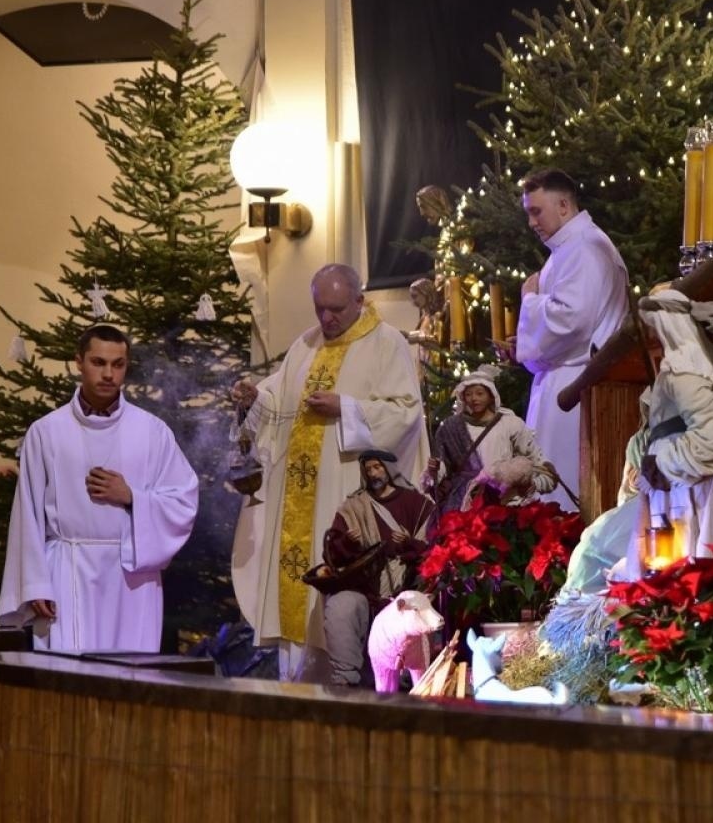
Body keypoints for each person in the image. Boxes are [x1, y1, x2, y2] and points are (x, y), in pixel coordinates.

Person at [230, 264, 428, 681]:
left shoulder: (387, 343)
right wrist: (252, 399)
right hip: (297, 504)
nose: (326, 319)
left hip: (343, 499)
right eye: (319, 309)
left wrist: (347, 408)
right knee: (296, 617)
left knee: (338, 618)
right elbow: (276, 398)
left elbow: (406, 414)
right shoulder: (306, 345)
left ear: (360, 300)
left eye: (336, 309)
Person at [0, 325, 200, 652]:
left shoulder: (151, 432)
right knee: (67, 679)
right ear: (79, 362)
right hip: (67, 573)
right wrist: (34, 584)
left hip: (132, 579)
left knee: (133, 678)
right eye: (98, 362)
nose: (108, 374)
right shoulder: (47, 432)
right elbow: (27, 514)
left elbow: (184, 501)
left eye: (118, 364)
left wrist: (133, 497)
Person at [512, 169, 629, 510]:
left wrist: (531, 301)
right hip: (565, 382)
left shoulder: (585, 248)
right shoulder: (570, 248)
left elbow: (571, 322)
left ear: (563, 205)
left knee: (563, 496)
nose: (532, 222)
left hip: (574, 391)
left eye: (536, 211)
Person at [620, 287, 713, 578]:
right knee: (679, 541)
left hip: (688, 474)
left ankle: (690, 607)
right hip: (683, 471)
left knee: (689, 543)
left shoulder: (685, 371)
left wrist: (664, 461)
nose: (652, 335)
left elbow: (710, 436)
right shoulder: (695, 365)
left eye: (654, 326)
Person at [313, 451, 436, 685]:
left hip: (406, 587)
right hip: (365, 590)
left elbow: (434, 548)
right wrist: (348, 542)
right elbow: (332, 554)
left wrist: (410, 544)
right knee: (341, 606)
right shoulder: (354, 507)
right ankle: (344, 679)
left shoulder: (416, 504)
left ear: (389, 469)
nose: (373, 474)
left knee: (415, 606)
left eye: (377, 468)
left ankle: (412, 678)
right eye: (368, 470)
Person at [423, 365, 556, 515]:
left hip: (503, 500)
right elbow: (444, 466)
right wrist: (434, 470)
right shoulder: (451, 427)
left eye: (480, 393)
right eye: (468, 394)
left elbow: (536, 461)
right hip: (462, 503)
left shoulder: (510, 424)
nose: (474, 399)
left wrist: (532, 483)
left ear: (491, 395)